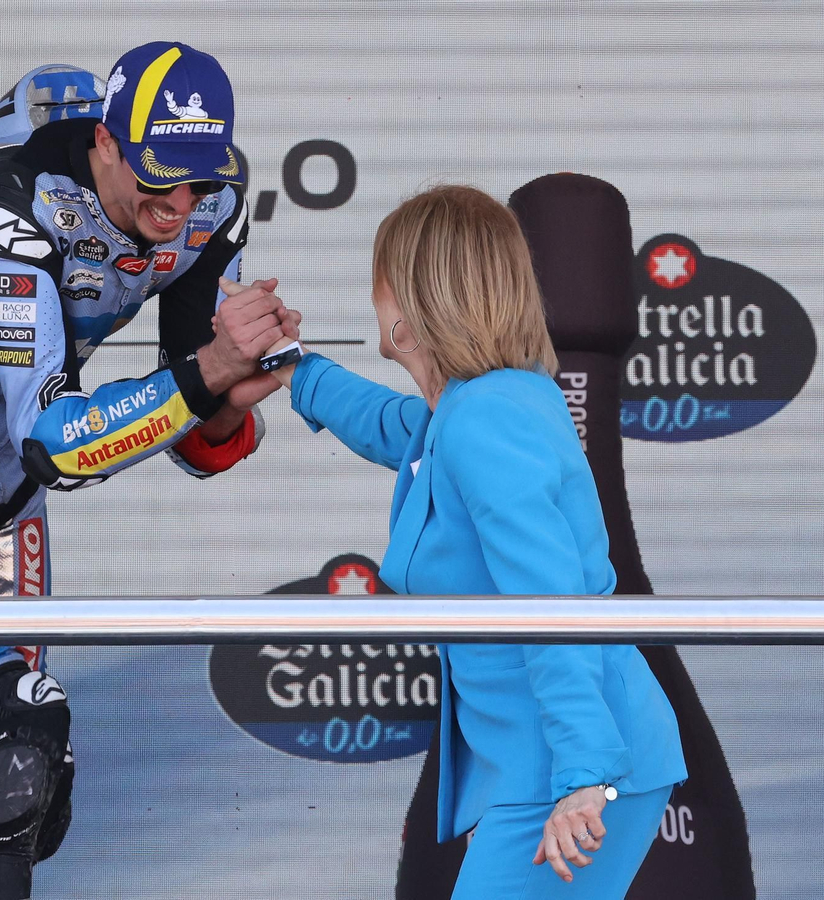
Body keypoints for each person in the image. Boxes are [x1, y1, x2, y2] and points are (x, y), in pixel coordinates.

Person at [0, 43, 295, 900]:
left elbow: (194, 436)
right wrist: (206, 377)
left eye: (196, 179)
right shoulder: (5, 204)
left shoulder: (214, 204)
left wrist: (233, 393)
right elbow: (58, 442)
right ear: (106, 141)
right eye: (159, 179)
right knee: (19, 728)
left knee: (16, 767)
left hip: (10, 480)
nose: (179, 205)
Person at [251, 185, 687, 899]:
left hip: (570, 770)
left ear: (414, 300)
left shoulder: (483, 419)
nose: (373, 297)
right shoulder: (474, 405)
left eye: (380, 278)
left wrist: (581, 777)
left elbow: (551, 602)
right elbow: (387, 423)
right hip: (546, 766)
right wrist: (289, 364)